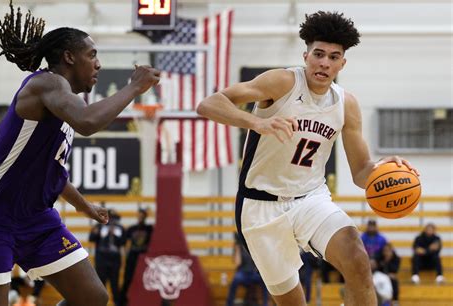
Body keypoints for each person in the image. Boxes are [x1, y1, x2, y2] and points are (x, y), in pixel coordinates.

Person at [197, 11, 419, 306]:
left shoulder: (346, 104)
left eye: (333, 56)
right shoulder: (282, 82)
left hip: (310, 198)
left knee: (356, 258)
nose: (324, 63)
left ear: (342, 63)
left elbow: (361, 171)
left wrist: (383, 171)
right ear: (306, 55)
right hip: (260, 206)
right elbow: (209, 104)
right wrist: (257, 123)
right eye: (319, 54)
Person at [0, 2, 160, 306]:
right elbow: (89, 122)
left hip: (37, 218)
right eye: (92, 55)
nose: (98, 64)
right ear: (68, 57)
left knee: (92, 298)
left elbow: (54, 174)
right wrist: (133, 88)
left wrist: (84, 206)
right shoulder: (45, 84)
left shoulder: (63, 105)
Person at [89, 209, 126, 305]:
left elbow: (123, 242)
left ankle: (117, 303)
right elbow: (91, 238)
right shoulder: (99, 226)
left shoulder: (120, 228)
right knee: (101, 285)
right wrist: (96, 232)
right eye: (110, 218)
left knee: (115, 284)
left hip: (114, 260)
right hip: (101, 259)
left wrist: (115, 234)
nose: (111, 221)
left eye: (114, 219)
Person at [119, 208, 154, 306]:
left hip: (143, 257)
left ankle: (145, 300)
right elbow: (123, 242)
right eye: (139, 215)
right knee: (128, 279)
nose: (140, 217)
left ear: (145, 216)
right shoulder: (132, 228)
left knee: (145, 280)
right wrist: (125, 254)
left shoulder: (149, 228)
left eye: (142, 215)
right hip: (132, 257)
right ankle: (122, 302)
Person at [226, 233, 268, 306]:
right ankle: (229, 304)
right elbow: (237, 263)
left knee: (265, 281)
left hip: (253, 273)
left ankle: (265, 304)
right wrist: (237, 247)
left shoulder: (252, 245)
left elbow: (259, 261)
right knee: (235, 280)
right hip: (243, 273)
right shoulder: (238, 247)